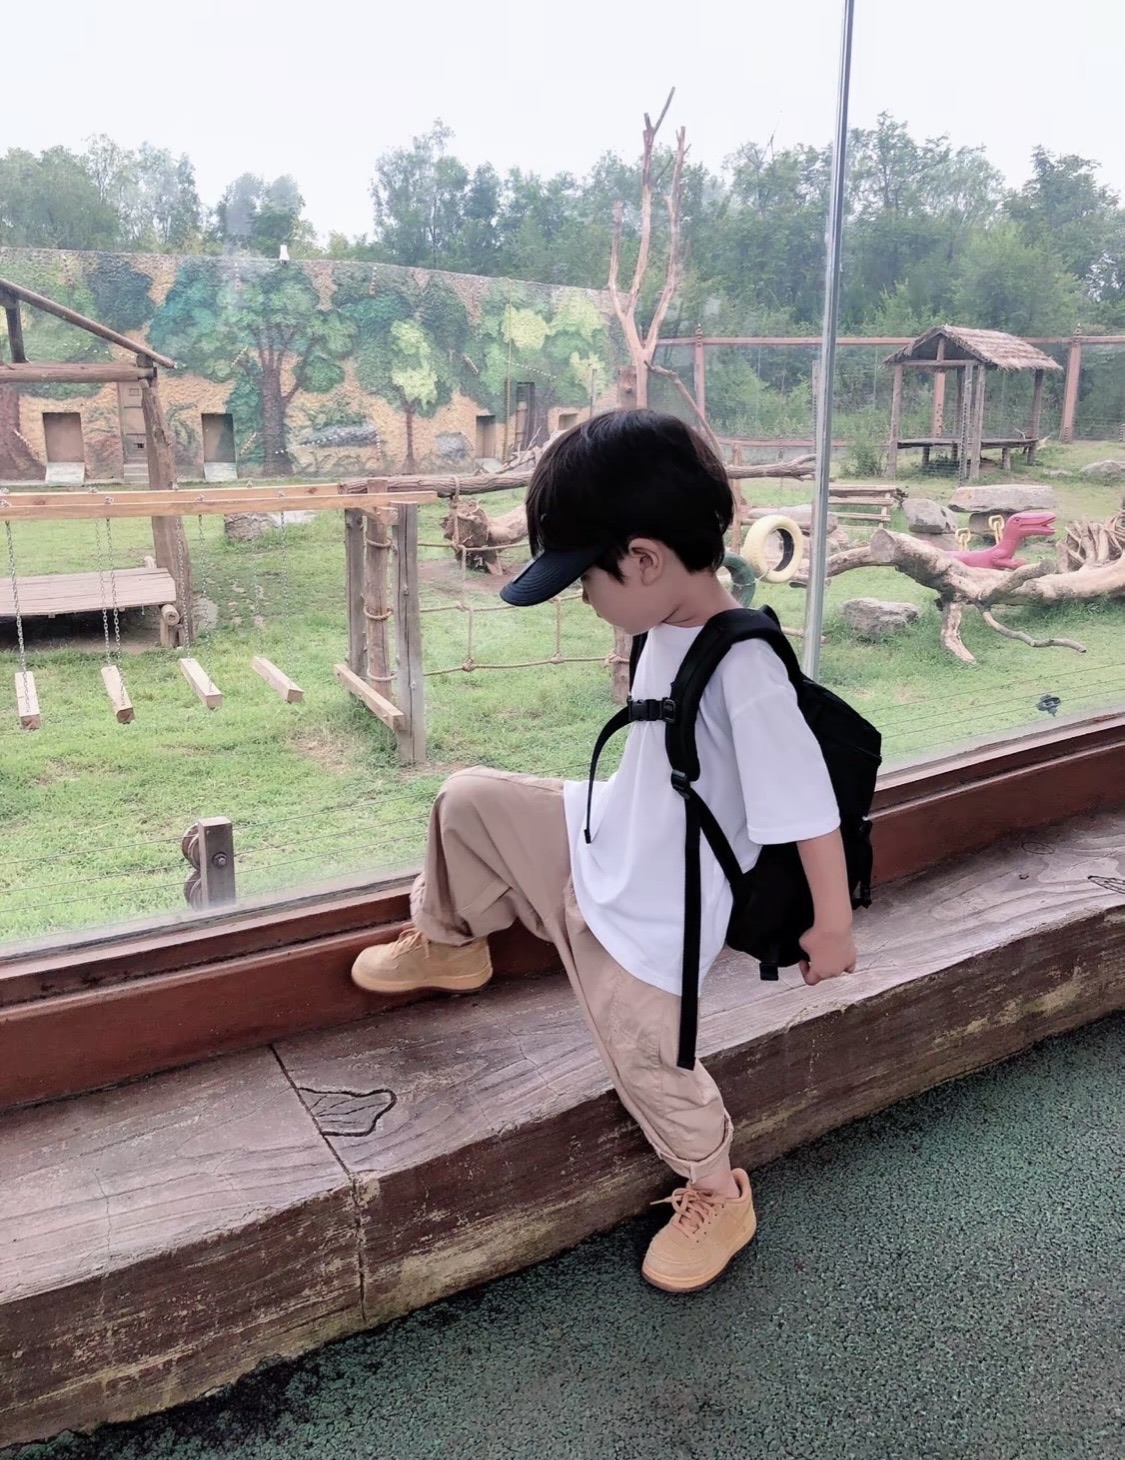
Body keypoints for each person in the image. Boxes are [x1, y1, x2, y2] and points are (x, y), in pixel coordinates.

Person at [351, 410, 856, 1293]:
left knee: (649, 1062)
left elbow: (809, 811)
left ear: (645, 561)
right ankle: (451, 943)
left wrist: (834, 929)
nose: (583, 597)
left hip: (653, 924)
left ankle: (717, 1192)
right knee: (467, 799)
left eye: (585, 578)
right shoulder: (665, 620)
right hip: (599, 839)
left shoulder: (746, 671)